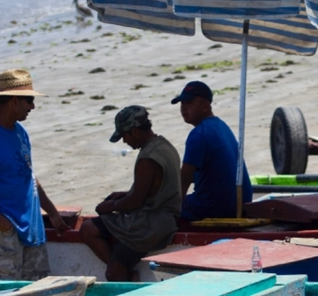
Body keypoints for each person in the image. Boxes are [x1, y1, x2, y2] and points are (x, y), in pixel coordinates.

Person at [0, 69, 68, 280]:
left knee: (38, 291)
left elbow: (28, 176)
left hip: (31, 228)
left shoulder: (20, 132)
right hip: (2, 231)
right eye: (29, 101)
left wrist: (51, 212)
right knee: (3, 294)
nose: (33, 107)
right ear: (14, 101)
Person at [79, 106, 183, 281]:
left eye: (125, 136)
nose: (125, 141)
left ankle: (122, 274)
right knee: (89, 228)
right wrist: (124, 194)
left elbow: (135, 202)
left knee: (110, 270)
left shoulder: (148, 158)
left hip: (150, 224)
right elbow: (154, 189)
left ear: (134, 131)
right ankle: (121, 267)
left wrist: (109, 206)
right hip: (165, 218)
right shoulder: (165, 145)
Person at [171, 81, 252, 220]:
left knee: (160, 208)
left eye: (189, 103)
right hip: (242, 202)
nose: (184, 108)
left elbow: (184, 179)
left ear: (205, 106)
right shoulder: (221, 126)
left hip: (216, 208)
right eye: (182, 103)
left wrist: (169, 209)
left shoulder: (199, 134)